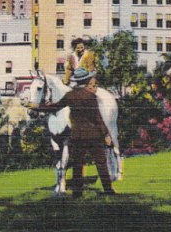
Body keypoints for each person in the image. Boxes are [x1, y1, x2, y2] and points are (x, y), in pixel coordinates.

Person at [33, 67, 116, 198]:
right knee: (101, 163)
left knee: (78, 165)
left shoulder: (69, 95)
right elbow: (97, 117)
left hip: (77, 136)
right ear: (86, 80)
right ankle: (108, 190)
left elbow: (54, 107)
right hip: (94, 135)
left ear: (76, 81)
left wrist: (37, 107)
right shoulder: (91, 96)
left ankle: (77, 193)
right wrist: (106, 135)